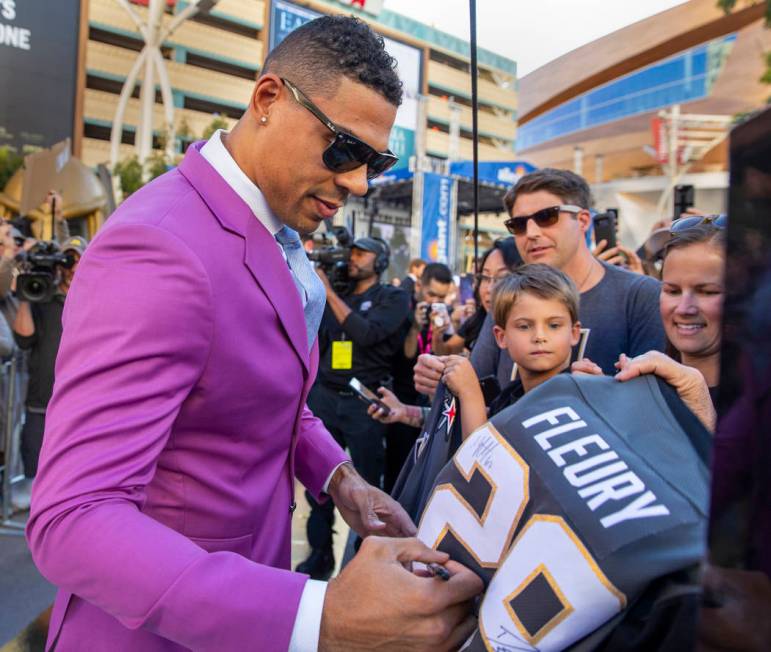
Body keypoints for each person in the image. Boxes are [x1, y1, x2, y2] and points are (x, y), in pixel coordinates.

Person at [26, 17, 481, 652]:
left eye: (375, 161)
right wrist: (315, 614)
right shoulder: (159, 245)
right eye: (344, 148)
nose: (359, 183)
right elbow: (73, 519)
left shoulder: (276, 226)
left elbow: (264, 393)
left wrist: (340, 479)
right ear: (268, 99)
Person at [415, 168, 665, 394]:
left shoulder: (640, 295)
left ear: (583, 221)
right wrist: (442, 380)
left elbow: (650, 408)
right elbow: (478, 392)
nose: (532, 233)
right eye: (519, 224)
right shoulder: (509, 295)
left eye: (547, 217)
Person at [297, 236, 410, 579]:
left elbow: (367, 334)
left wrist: (328, 292)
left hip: (364, 404)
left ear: (380, 261)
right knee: (320, 485)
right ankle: (319, 557)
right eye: (353, 252)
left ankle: (367, 564)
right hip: (326, 398)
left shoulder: (393, 297)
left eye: (363, 253)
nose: (354, 259)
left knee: (364, 485)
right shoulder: (338, 294)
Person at [372, 264, 581, 443]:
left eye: (554, 325)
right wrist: (404, 412)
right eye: (524, 326)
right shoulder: (511, 395)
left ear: (574, 332)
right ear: (501, 337)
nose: (539, 336)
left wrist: (469, 392)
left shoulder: (577, 398)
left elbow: (481, 458)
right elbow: (481, 419)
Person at [9, 236, 84, 511]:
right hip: (41, 403)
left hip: (78, 406)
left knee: (73, 478)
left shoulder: (92, 301)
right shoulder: (43, 297)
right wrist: (26, 297)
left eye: (78, 258)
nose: (74, 266)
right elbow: (23, 339)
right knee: (34, 478)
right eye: (68, 259)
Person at [432, 237, 521, 356]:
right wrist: (437, 335)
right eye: (485, 278)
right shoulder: (477, 320)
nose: (490, 289)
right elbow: (447, 350)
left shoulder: (523, 334)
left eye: (502, 278)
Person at [403, 262, 453, 360]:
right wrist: (415, 328)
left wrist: (438, 335)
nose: (435, 301)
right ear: (418, 286)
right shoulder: (403, 307)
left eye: (441, 297)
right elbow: (406, 357)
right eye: (431, 294)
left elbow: (442, 358)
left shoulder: (444, 312)